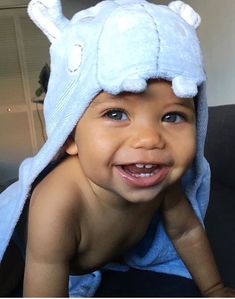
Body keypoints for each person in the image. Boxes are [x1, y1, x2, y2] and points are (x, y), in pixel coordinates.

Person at [0, 0, 235, 297]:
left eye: (172, 116)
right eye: (116, 114)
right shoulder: (56, 203)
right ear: (70, 136)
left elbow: (185, 231)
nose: (149, 140)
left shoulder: (162, 182)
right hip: (21, 255)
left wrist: (214, 289)